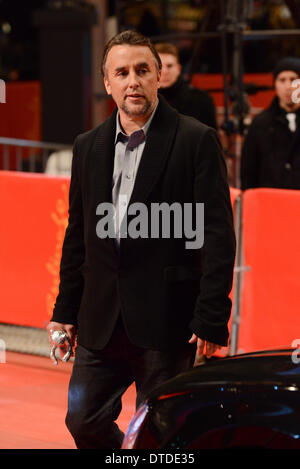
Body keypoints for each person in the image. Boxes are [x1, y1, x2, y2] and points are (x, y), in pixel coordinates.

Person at [47, 30, 236, 449]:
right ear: (107, 82)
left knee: (160, 434)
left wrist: (211, 314)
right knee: (82, 420)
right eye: (122, 72)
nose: (133, 80)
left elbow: (217, 235)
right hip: (100, 320)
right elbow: (78, 234)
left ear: (157, 76)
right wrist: (65, 311)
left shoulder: (195, 139)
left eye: (142, 70)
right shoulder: (86, 146)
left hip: (167, 318)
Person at [241, 57, 300, 190]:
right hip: (270, 202)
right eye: (282, 80)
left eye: (293, 79)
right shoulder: (260, 124)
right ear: (275, 84)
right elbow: (249, 171)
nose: (288, 86)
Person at [154, 42, 218, 129]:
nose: (165, 72)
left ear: (178, 69)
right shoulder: (144, 100)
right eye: (159, 67)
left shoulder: (202, 100)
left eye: (169, 66)